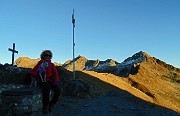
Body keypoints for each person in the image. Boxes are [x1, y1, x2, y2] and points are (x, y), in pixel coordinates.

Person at [29, 50, 61, 114]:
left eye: (50, 55)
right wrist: (38, 74)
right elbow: (31, 72)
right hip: (41, 80)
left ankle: (52, 103)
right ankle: (46, 106)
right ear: (43, 56)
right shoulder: (39, 64)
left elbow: (56, 74)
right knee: (47, 87)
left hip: (50, 80)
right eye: (46, 55)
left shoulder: (52, 65)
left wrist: (55, 81)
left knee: (58, 89)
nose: (48, 56)